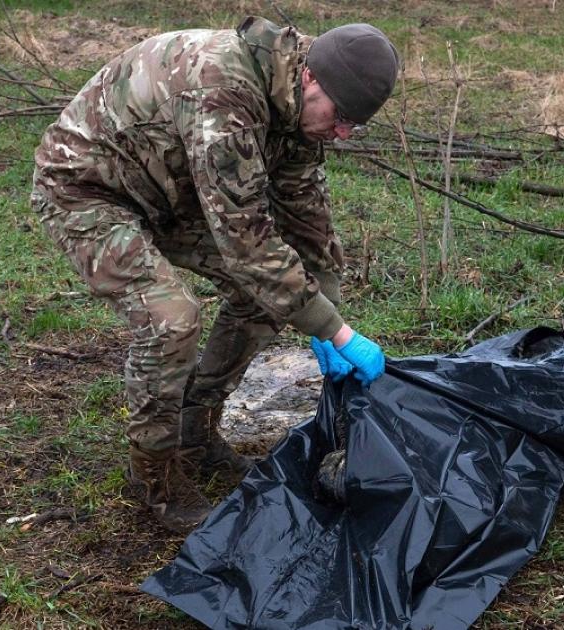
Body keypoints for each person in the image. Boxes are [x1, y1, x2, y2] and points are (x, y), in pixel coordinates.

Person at [31, 16, 398, 533]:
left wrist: (328, 307)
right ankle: (156, 480)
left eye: (353, 127)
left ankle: (195, 432)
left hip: (170, 195)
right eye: (341, 117)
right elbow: (246, 239)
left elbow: (306, 218)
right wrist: (334, 330)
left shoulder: (297, 106)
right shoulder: (224, 92)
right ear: (313, 78)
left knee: (274, 295)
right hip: (86, 188)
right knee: (172, 319)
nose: (342, 133)